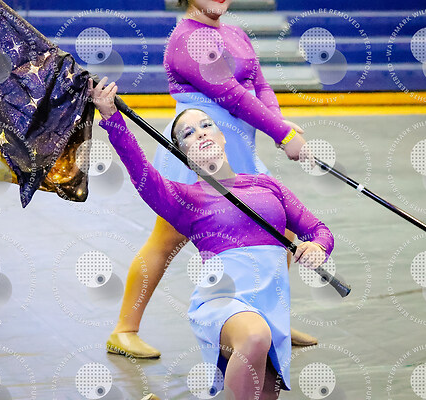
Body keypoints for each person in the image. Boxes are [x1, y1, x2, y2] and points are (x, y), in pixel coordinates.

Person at [89, 77, 334, 399]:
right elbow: (140, 170)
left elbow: (319, 230)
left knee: (263, 391)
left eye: (206, 125)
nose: (201, 133)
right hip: (223, 302)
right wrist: (111, 117)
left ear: (222, 136)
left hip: (270, 305)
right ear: (182, 154)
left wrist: (317, 247)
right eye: (188, 133)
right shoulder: (185, 199)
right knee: (255, 336)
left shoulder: (267, 186)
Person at [107, 0, 317, 359]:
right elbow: (231, 95)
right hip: (198, 153)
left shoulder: (235, 33)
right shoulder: (187, 38)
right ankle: (124, 330)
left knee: (281, 230)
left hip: (238, 151)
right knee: (167, 240)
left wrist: (279, 121)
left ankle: (268, 316)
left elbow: (260, 85)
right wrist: (281, 134)